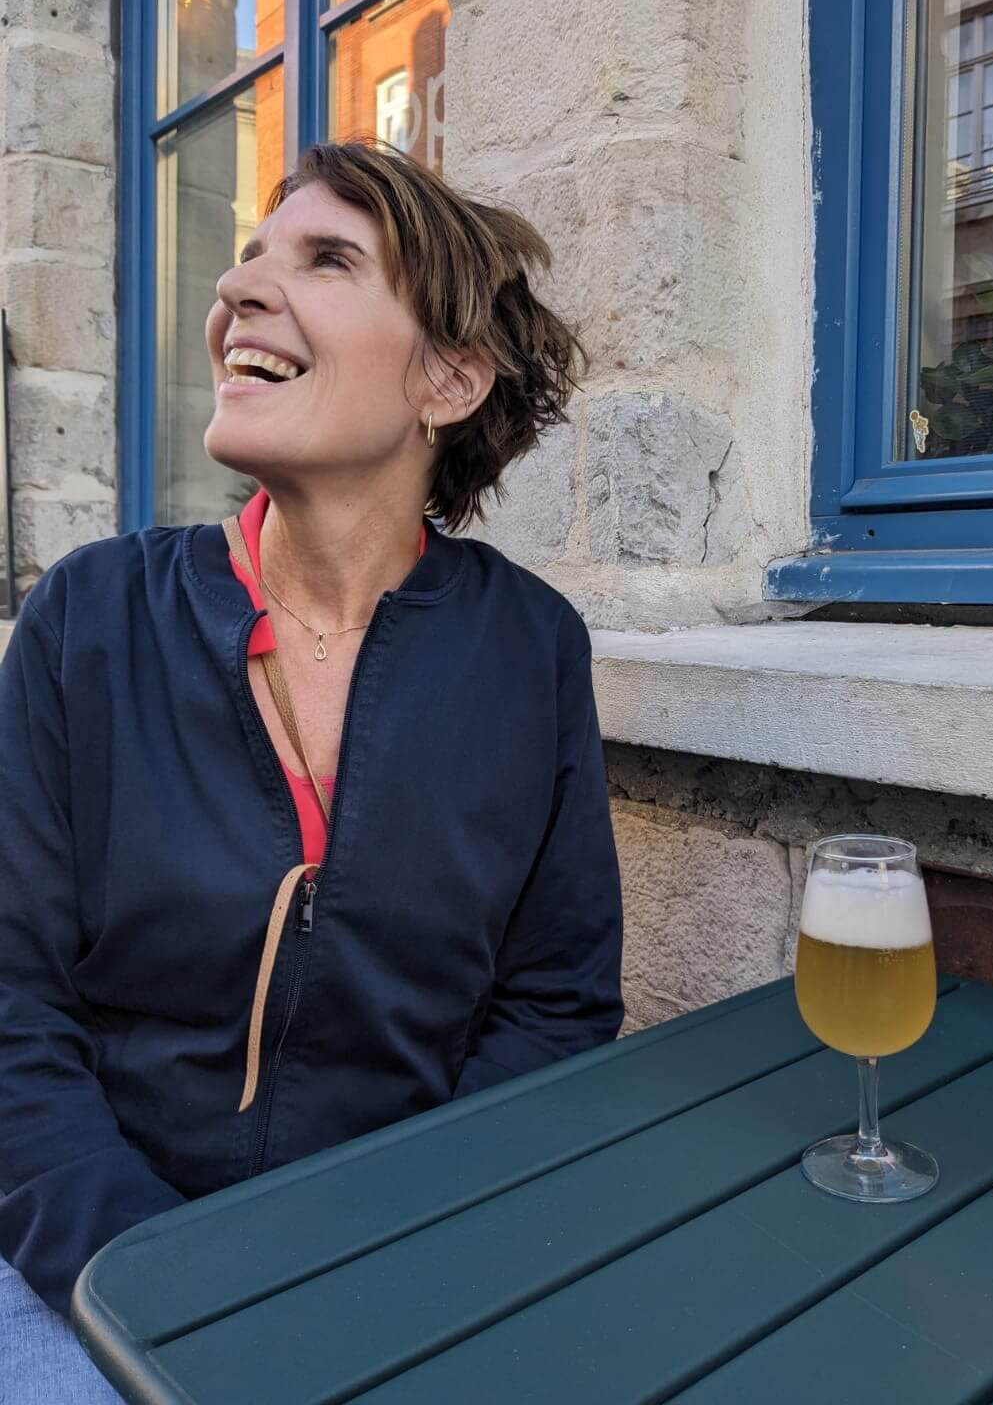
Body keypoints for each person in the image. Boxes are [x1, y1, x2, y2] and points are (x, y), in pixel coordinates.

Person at [0, 140, 624, 1401]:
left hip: (405, 1265)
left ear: (448, 378)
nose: (237, 290)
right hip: (89, 1264)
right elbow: (12, 1006)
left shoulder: (531, 647)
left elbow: (555, 1005)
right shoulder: (91, 618)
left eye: (328, 259)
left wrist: (396, 1248)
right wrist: (153, 1278)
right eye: (249, 258)